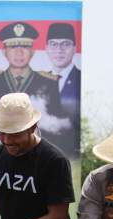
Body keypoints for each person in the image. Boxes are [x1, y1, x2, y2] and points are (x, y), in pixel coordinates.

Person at [0, 22, 62, 117]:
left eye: (25, 46)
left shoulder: (49, 82)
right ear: (4, 52)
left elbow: (57, 122)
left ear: (33, 51)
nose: (19, 52)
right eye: (13, 46)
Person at [45, 23, 80, 151]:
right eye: (54, 44)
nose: (59, 50)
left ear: (74, 48)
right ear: (46, 48)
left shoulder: (80, 79)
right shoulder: (39, 81)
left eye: (65, 44)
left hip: (71, 152)